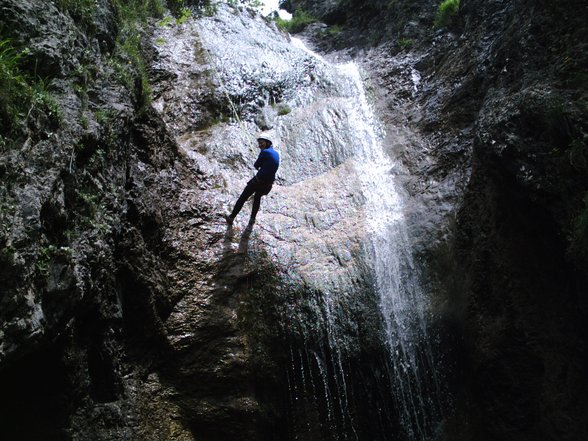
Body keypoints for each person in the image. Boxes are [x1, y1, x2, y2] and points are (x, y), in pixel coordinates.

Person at [225, 132, 280, 226]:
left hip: (258, 181)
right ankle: (252, 219)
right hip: (268, 185)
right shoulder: (276, 153)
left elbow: (256, 165)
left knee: (243, 198)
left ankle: (231, 217)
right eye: (259, 143)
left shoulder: (265, 152)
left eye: (261, 143)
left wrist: (260, 162)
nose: (260, 145)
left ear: (267, 143)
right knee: (257, 198)